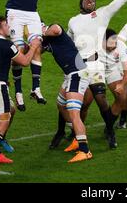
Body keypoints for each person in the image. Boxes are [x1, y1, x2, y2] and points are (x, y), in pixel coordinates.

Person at [5, 0, 85, 111]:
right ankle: (18, 92)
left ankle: (36, 88)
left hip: (32, 13)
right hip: (16, 13)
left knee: (36, 45)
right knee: (18, 50)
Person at [66, 0, 127, 139]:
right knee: (83, 103)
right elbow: (69, 43)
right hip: (82, 65)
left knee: (112, 98)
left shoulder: (102, 14)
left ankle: (110, 129)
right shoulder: (73, 21)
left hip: (101, 64)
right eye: (86, 0)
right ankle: (73, 131)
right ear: (81, 5)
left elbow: (121, 0)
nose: (90, 0)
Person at [0, 16, 40, 173]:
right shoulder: (6, 45)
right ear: (0, 29)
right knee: (3, 122)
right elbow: (24, 62)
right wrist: (33, 47)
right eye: (6, 24)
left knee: (10, 110)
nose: (9, 26)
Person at [41, 23, 93, 162]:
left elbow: (57, 29)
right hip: (70, 75)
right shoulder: (45, 42)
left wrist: (42, 32)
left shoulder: (53, 29)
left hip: (77, 73)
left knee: (74, 113)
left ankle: (85, 150)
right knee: (61, 103)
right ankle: (78, 136)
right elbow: (33, 52)